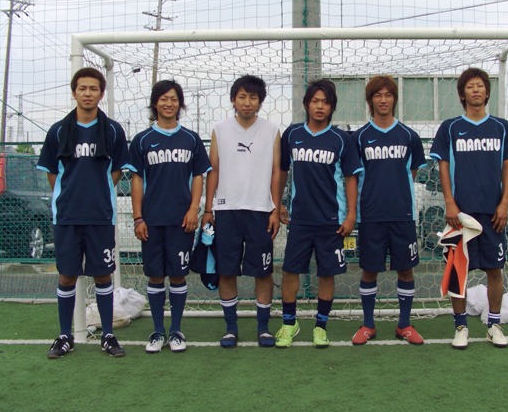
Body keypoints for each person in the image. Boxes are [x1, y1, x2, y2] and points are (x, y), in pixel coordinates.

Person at [37, 67, 129, 358]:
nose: (88, 93)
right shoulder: (58, 130)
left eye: (93, 89)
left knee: (102, 276)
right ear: (74, 92)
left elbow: (117, 170)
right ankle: (65, 336)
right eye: (82, 88)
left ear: (101, 94)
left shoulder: (113, 130)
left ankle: (108, 335)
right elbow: (52, 173)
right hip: (67, 216)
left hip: (100, 216)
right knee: (67, 276)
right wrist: (70, 195)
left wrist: (98, 191)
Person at [429, 67, 508, 349]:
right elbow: (443, 165)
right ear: (462, 94)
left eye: (480, 85)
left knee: (495, 270)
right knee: (458, 271)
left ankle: (493, 325)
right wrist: (449, 202)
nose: (476, 90)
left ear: (487, 91)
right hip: (461, 215)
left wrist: (504, 203)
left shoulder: (502, 127)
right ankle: (460, 327)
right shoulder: (450, 128)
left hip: (493, 213)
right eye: (470, 86)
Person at [275, 79, 362, 348]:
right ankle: (289, 323)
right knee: (290, 271)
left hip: (331, 221)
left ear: (332, 106)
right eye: (315, 101)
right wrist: (277, 203)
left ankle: (321, 326)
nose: (320, 106)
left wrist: (350, 215)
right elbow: (282, 170)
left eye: (325, 102)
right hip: (300, 219)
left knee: (327, 273)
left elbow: (350, 178)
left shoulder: (341, 139)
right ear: (306, 104)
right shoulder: (292, 134)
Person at [128, 80, 211, 354]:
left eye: (174, 99)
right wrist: (138, 218)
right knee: (155, 277)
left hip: (181, 221)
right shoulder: (142, 140)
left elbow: (198, 176)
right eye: (163, 98)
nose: (169, 103)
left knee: (177, 276)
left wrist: (193, 209)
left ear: (180, 103)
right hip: (152, 221)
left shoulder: (191, 139)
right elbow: (137, 180)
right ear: (155, 103)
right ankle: (157, 331)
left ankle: (175, 330)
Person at [201, 75, 281, 348]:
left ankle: (263, 328)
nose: (247, 102)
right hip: (227, 209)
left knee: (263, 271)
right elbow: (214, 170)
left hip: (260, 210)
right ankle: (231, 328)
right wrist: (208, 208)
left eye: (253, 97)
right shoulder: (220, 129)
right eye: (242, 97)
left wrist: (274, 208)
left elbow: (276, 172)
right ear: (233, 99)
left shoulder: (272, 130)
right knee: (227, 270)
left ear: (260, 101)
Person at [351, 75, 427, 346]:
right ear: (370, 100)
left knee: (405, 270)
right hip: (370, 216)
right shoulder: (359, 137)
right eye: (377, 95)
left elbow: (412, 172)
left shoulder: (409, 136)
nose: (383, 100)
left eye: (388, 95)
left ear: (395, 99)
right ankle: (368, 324)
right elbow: (354, 177)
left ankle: (404, 324)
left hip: (402, 215)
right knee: (369, 271)